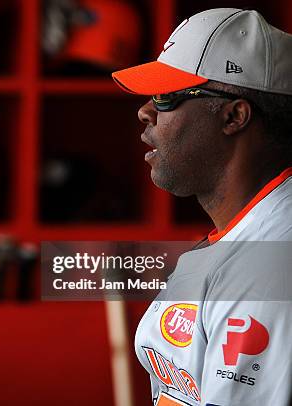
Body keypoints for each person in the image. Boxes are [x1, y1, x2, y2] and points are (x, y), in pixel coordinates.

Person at [111, 8, 292, 406]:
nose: (145, 111)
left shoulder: (272, 266)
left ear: (233, 116)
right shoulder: (240, 234)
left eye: (166, 96)